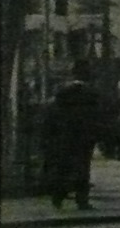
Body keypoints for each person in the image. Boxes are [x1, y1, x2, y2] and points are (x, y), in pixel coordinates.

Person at [44, 60, 106, 210]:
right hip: (85, 137)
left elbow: (53, 115)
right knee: (83, 167)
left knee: (63, 166)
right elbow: (98, 117)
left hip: (64, 136)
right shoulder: (92, 94)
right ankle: (82, 199)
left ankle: (58, 196)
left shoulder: (62, 92)